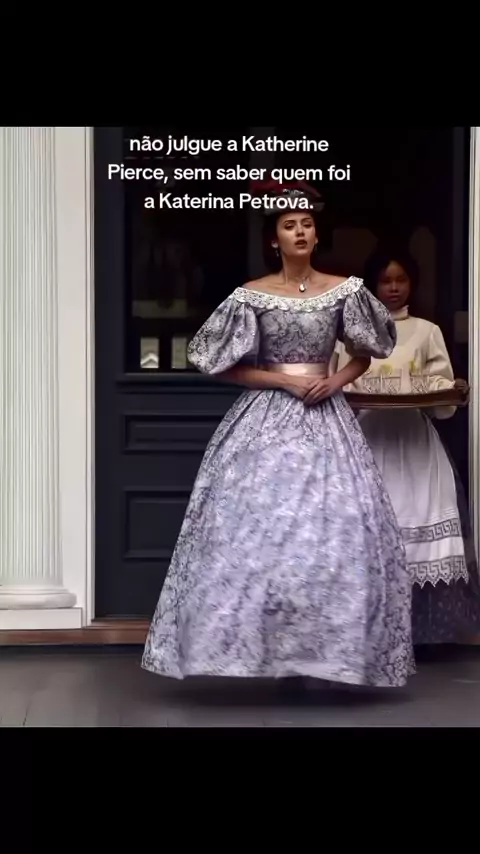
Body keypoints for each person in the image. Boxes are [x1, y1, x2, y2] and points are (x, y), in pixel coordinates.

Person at [142, 184, 415, 688]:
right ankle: (260, 653)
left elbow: (366, 352)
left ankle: (327, 655)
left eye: (307, 224)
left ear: (316, 234)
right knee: (258, 534)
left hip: (327, 419)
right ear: (275, 239)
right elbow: (218, 364)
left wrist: (335, 380)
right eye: (290, 225)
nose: (300, 232)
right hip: (265, 420)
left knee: (335, 533)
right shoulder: (253, 295)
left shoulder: (344, 290)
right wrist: (283, 381)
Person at [334, 247, 480, 645]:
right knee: (369, 527)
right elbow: (341, 385)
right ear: (373, 284)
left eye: (401, 280)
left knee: (417, 520)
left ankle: (419, 633)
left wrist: (449, 391)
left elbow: (440, 388)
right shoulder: (354, 332)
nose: (394, 287)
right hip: (370, 439)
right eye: (386, 280)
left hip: (414, 442)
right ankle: (370, 633)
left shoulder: (426, 331)